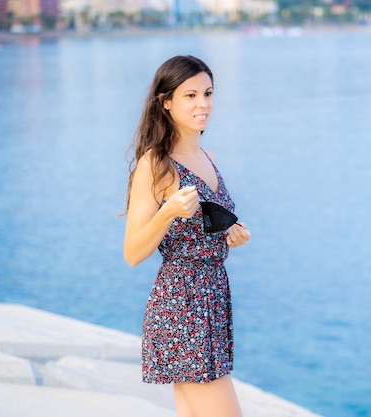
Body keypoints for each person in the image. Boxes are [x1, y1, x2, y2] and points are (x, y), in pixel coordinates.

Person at [123, 55, 251, 417]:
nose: (203, 104)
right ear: (166, 102)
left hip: (212, 302)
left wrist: (230, 236)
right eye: (190, 95)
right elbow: (132, 252)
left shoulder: (207, 156)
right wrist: (167, 212)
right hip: (182, 307)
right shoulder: (156, 163)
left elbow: (198, 233)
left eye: (208, 93)